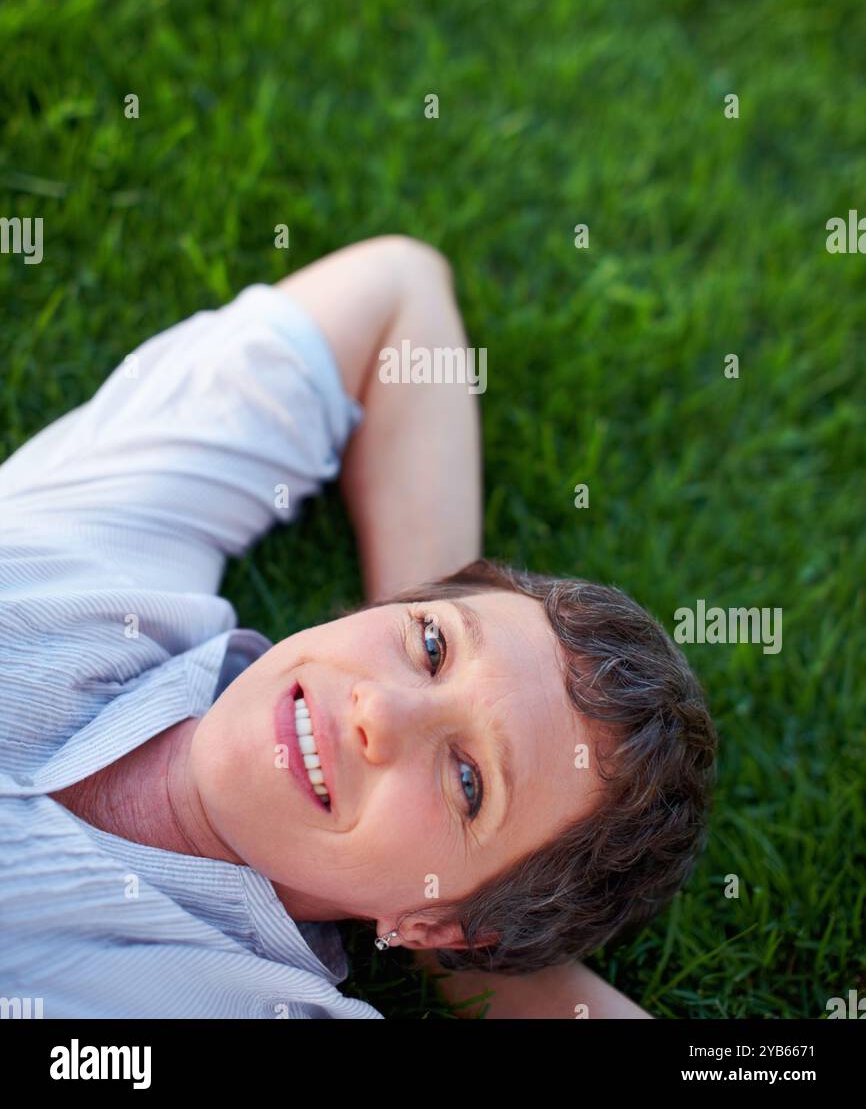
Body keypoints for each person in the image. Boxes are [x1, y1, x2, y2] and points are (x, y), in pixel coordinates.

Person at [0, 235, 716, 1019]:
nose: (379, 709)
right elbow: (399, 293)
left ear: (433, 925)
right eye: (432, 645)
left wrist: (468, 931)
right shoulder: (114, 554)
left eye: (469, 783)